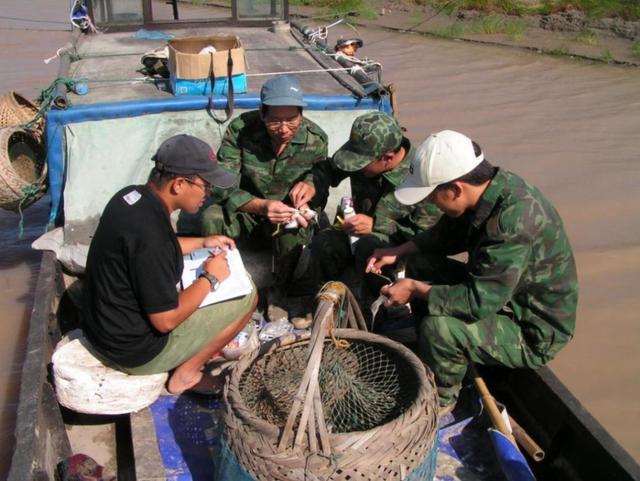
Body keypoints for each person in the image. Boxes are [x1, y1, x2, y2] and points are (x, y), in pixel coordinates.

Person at [366, 130, 578, 412]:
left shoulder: (512, 222)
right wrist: (401, 250)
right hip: (500, 296)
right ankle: (438, 353)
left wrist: (415, 289)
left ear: (455, 189)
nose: (429, 204)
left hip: (530, 329)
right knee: (416, 263)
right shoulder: (491, 189)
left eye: (432, 197)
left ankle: (440, 400)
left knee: (439, 328)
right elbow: (448, 235)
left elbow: (476, 302)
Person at [82, 135, 258, 395]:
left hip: (104, 330)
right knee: (249, 295)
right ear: (178, 184)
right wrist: (209, 279)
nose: (207, 194)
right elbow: (165, 321)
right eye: (205, 186)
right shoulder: (152, 235)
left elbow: (150, 249)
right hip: (135, 352)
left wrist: (202, 242)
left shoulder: (131, 197)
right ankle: (185, 376)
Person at [200, 75, 328, 319]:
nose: (284, 128)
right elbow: (220, 185)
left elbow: (321, 177)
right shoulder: (240, 130)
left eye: (292, 120)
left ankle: (281, 291)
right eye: (275, 121)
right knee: (212, 217)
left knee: (297, 228)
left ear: (301, 114)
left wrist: (309, 191)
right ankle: (219, 285)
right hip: (248, 212)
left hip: (286, 216)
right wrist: (260, 206)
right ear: (261, 113)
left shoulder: (316, 139)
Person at [308, 111, 441, 320]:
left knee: (370, 247)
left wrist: (376, 226)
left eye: (361, 164)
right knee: (322, 245)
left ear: (387, 158)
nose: (356, 169)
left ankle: (379, 314)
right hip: (357, 233)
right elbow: (331, 168)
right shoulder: (366, 158)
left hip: (401, 248)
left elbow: (431, 237)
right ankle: (327, 305)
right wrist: (310, 184)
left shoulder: (422, 177)